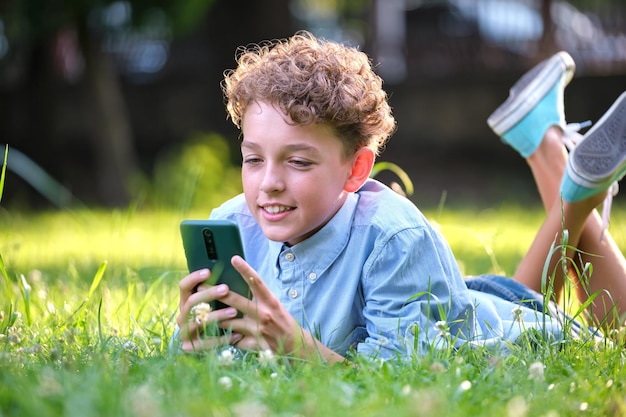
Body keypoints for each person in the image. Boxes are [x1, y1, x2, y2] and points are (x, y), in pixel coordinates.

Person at [175, 31, 626, 363]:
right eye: (254, 159)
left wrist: (294, 346)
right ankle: (555, 156)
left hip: (504, 334)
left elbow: (399, 381)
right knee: (474, 307)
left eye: (299, 162)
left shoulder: (395, 238)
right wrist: (195, 340)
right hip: (442, 306)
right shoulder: (232, 225)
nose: (268, 182)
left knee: (616, 337)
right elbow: (215, 364)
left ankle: (569, 177)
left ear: (355, 169)